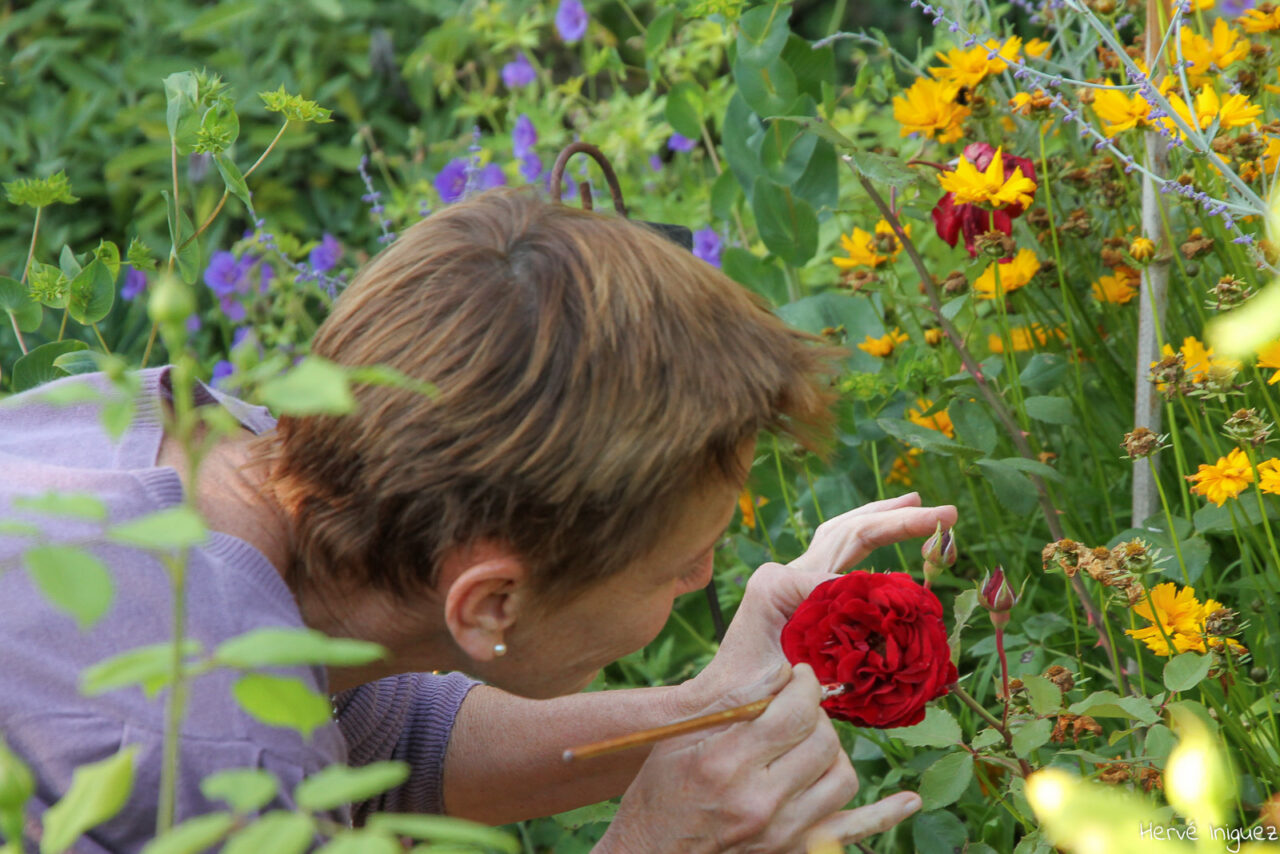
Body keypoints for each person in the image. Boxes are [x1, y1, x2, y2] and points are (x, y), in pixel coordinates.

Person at [0, 188, 956, 852]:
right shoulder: (212, 766)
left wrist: (702, 712)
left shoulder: (178, 441)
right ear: (491, 602)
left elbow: (378, 728)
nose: (704, 580)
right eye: (686, 561)